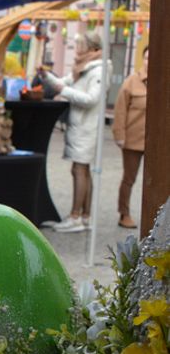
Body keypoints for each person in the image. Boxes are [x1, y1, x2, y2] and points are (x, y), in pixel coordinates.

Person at [44, 32, 105, 233]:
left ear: (93, 49)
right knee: (82, 170)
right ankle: (85, 215)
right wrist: (47, 76)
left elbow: (91, 99)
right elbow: (64, 81)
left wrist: (64, 91)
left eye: (81, 46)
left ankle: (76, 216)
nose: (77, 51)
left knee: (80, 170)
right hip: (81, 127)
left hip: (87, 128)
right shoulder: (84, 69)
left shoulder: (98, 70)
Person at [113, 46, 148, 229]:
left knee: (155, 182)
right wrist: (119, 135)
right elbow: (120, 110)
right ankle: (124, 213)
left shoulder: (163, 81)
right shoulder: (132, 82)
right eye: (148, 57)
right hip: (133, 141)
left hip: (155, 145)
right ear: (143, 59)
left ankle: (156, 217)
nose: (151, 61)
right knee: (129, 178)